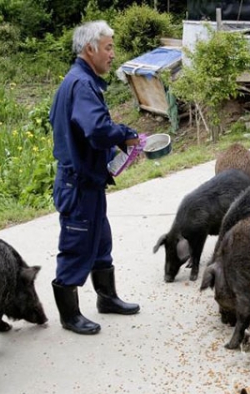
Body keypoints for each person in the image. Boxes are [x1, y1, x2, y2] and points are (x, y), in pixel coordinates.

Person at [49, 20, 141, 335]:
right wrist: (127, 136)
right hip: (78, 184)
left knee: (100, 241)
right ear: (90, 49)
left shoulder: (78, 81)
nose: (112, 54)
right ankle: (70, 315)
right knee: (76, 244)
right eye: (108, 47)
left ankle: (107, 298)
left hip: (89, 182)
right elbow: (98, 129)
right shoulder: (82, 84)